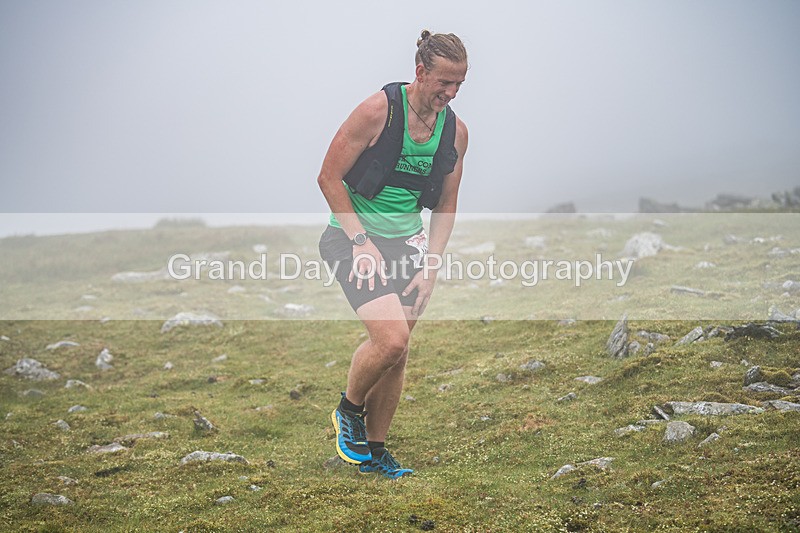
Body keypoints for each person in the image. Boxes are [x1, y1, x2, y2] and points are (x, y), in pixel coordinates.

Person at [317, 30, 469, 479]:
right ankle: (348, 410)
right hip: (352, 238)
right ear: (420, 72)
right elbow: (328, 177)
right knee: (392, 340)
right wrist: (361, 243)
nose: (450, 93)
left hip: (409, 246)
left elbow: (446, 204)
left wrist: (432, 266)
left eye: (459, 84)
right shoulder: (376, 112)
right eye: (443, 82)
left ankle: (376, 453)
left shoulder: (456, 132)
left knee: (398, 354)